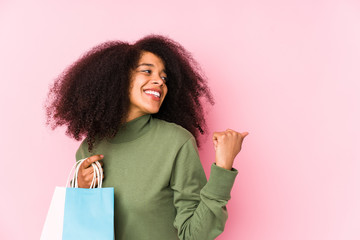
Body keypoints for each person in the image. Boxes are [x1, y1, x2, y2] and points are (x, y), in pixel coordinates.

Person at [45, 34, 248, 239]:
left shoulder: (176, 142)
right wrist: (80, 190)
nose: (159, 81)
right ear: (118, 78)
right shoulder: (89, 148)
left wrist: (223, 168)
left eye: (164, 77)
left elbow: (194, 235)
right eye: (147, 71)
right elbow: (85, 229)